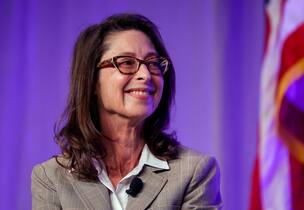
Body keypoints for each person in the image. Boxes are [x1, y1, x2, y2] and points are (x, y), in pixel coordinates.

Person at [31, 13, 222, 210]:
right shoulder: (50, 178)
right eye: (127, 63)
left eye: (153, 63)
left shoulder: (195, 172)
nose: (145, 74)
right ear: (92, 80)